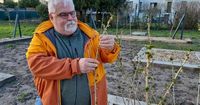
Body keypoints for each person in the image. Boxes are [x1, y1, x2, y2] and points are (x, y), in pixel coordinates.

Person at [26, 0, 120, 105]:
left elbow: (107, 58)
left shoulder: (90, 34)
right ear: (51, 17)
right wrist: (76, 66)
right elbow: (36, 64)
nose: (70, 18)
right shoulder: (42, 37)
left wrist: (111, 47)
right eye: (63, 14)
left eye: (72, 13)